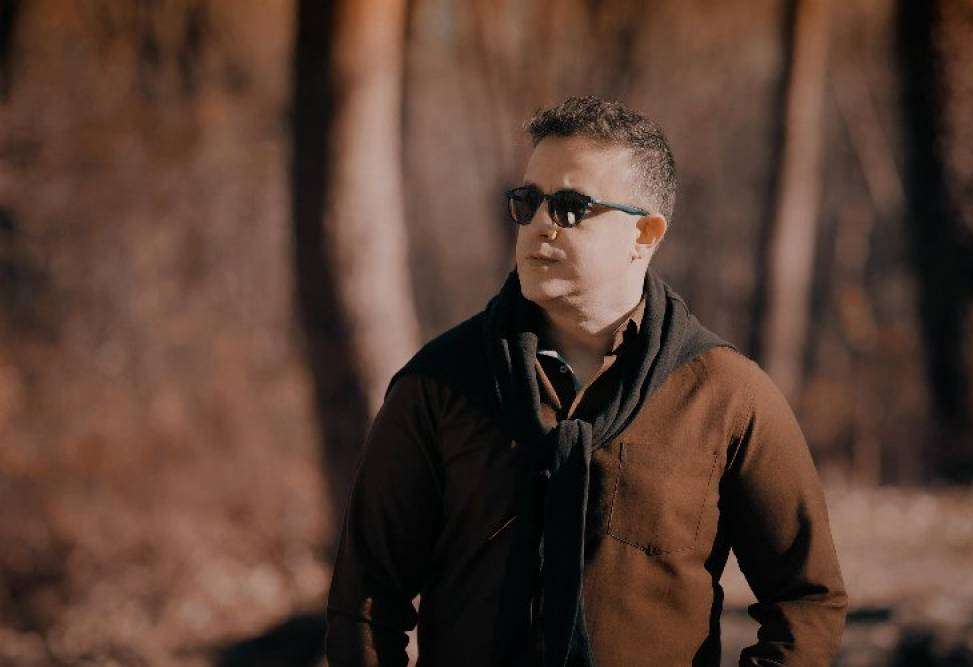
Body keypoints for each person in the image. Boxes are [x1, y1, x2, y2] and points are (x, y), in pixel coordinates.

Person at [325, 95, 848, 666]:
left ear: (645, 234)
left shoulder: (727, 395)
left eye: (571, 207)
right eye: (528, 202)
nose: (540, 226)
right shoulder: (439, 383)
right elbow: (365, 603)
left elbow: (806, 600)